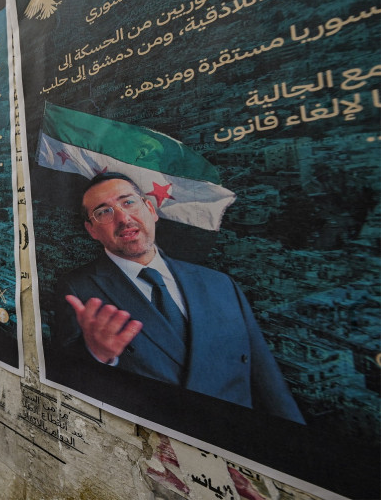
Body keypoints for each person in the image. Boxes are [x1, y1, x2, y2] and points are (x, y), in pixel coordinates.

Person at [47, 172, 304, 423]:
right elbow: (69, 381)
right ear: (91, 230)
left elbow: (270, 385)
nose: (123, 218)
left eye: (129, 202)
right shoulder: (78, 289)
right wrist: (96, 354)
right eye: (104, 212)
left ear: (151, 209)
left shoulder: (220, 284)